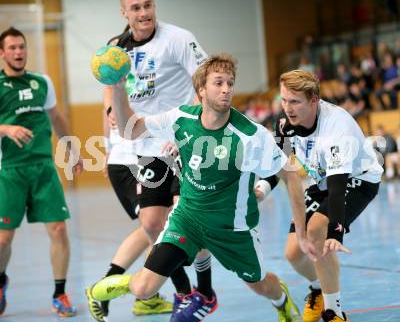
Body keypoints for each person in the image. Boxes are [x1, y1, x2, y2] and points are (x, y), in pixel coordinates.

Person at [86, 53, 318, 322]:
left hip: (233, 228)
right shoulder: (181, 118)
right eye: (218, 82)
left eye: (230, 83)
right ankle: (114, 288)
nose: (226, 89)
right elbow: (129, 130)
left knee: (260, 285)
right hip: (188, 220)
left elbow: (290, 176)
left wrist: (300, 232)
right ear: (201, 90)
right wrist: (116, 87)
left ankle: (282, 300)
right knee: (143, 287)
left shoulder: (251, 135)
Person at [88, 0, 215, 321]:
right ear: (124, 13)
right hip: (145, 147)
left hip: (181, 143)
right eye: (136, 9)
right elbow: (112, 105)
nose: (143, 14)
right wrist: (107, 143)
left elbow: (205, 83)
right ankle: (187, 292)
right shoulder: (116, 51)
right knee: (152, 224)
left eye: (148, 6)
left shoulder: (177, 38)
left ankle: (202, 291)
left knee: (188, 219)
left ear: (154, 5)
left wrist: (192, 126)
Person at [276, 70, 383, 322]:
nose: (287, 108)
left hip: (358, 180)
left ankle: (334, 311)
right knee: (293, 253)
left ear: (313, 100)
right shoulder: (285, 125)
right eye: (283, 100)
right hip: (322, 179)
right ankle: (317, 289)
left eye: (294, 102)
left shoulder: (337, 128)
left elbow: (337, 188)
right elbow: (279, 168)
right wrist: (260, 189)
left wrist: (336, 232)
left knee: (316, 232)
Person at [0, 27, 83, 317]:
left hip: (44, 168)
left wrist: (72, 149)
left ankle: (60, 294)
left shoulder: (41, 82)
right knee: (3, 239)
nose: (18, 52)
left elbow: (56, 117)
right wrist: (6, 129)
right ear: (2, 53)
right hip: (8, 170)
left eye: (21, 46)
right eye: (12, 48)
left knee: (59, 230)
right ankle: (0, 283)